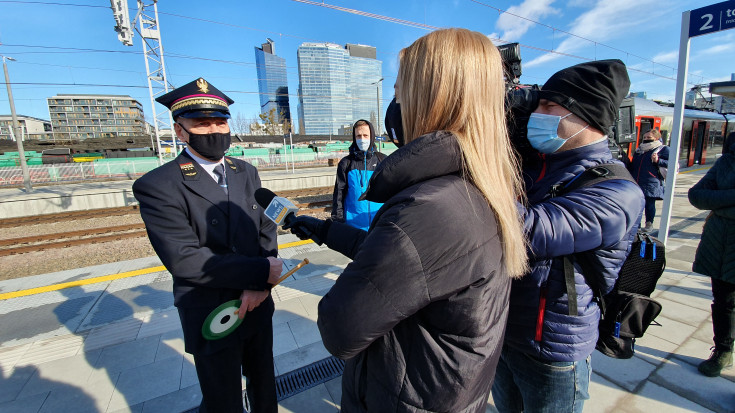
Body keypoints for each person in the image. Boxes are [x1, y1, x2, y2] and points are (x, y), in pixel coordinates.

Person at [286, 28, 527, 412]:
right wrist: (327, 230)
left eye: (400, 92)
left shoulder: (429, 208)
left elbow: (339, 328)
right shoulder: (472, 183)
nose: (395, 106)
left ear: (432, 99)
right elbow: (416, 263)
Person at [491, 60, 645, 413]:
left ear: (586, 117)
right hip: (504, 334)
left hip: (552, 352)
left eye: (548, 107)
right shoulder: (536, 166)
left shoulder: (617, 192)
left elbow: (527, 231)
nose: (536, 114)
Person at [132, 77, 282, 413]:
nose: (214, 130)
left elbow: (265, 226)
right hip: (210, 308)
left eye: (220, 121)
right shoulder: (158, 185)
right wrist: (260, 273)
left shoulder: (245, 170)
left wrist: (262, 286)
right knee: (221, 397)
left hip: (257, 303)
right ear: (180, 130)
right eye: (202, 123)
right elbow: (184, 258)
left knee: (264, 384)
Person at [688, 132, 735, 377]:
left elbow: (710, 198)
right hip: (720, 243)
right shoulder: (727, 160)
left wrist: (720, 203)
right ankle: (723, 350)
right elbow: (696, 195)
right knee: (723, 301)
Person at [331, 119, 386, 230]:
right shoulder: (346, 163)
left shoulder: (383, 160)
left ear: (372, 136)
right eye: (358, 136)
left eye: (365, 135)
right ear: (354, 138)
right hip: (353, 226)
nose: (362, 139)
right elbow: (339, 194)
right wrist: (338, 220)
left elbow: (391, 192)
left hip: (379, 226)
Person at [625, 128, 670, 232]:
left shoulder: (662, 149)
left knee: (649, 204)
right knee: (637, 204)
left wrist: (658, 160)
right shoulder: (639, 150)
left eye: (649, 137)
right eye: (644, 137)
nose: (646, 139)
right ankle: (637, 225)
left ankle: (649, 223)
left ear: (656, 138)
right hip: (637, 181)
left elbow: (672, 163)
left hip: (651, 181)